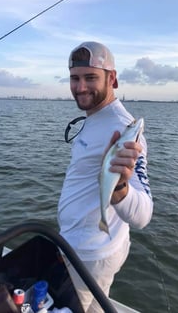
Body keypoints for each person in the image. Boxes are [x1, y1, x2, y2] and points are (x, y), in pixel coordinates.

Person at [58, 41, 153, 312]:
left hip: (90, 253)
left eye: (90, 78)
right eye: (75, 78)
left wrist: (120, 188)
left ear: (112, 79)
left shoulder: (123, 127)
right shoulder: (96, 116)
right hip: (78, 244)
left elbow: (143, 215)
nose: (81, 87)